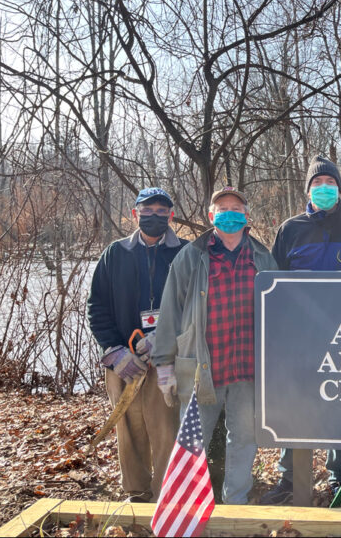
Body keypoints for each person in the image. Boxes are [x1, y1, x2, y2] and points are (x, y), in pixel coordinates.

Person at [261, 155, 341, 505]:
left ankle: (340, 473)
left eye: (330, 184)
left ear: (340, 188)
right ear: (308, 190)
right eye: (317, 184)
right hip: (300, 337)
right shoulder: (290, 230)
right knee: (298, 404)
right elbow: (272, 285)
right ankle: (292, 477)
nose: (324, 189)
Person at [152, 186, 278, 505]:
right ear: (211, 216)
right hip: (201, 368)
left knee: (244, 440)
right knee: (192, 440)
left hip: (248, 367)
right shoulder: (191, 256)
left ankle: (235, 502)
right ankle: (187, 506)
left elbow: (280, 310)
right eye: (222, 208)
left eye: (236, 208)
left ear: (246, 215)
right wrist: (164, 364)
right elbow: (169, 312)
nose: (230, 213)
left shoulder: (263, 257)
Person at [87, 187, 187, 503]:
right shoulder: (115, 254)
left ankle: (169, 495)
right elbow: (97, 306)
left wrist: (167, 338)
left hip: (167, 360)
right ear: (135, 214)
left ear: (170, 215)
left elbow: (197, 306)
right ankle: (138, 493)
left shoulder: (186, 253)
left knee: (166, 428)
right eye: (147, 210)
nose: (154, 216)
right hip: (124, 360)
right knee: (129, 430)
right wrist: (114, 351)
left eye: (161, 210)